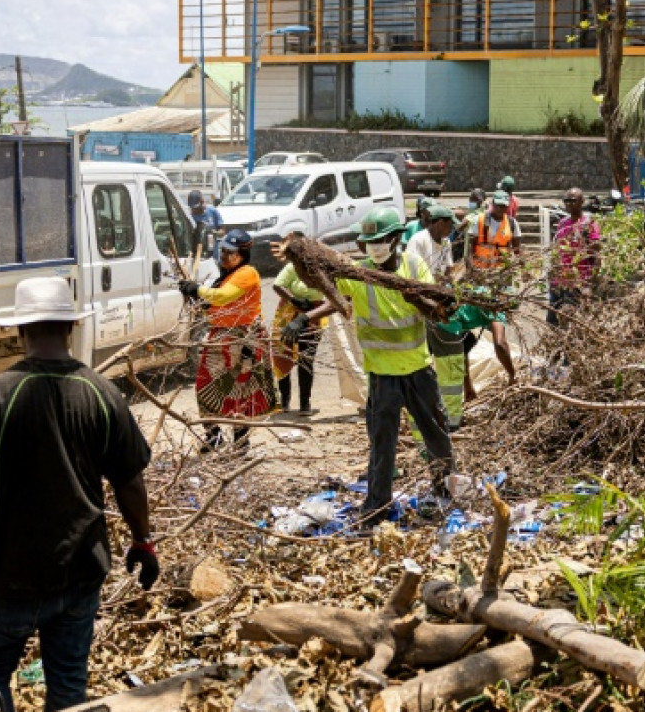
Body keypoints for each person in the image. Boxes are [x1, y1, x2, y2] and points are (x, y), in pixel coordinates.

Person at [0, 277, 157, 712]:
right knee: (68, 684)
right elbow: (129, 481)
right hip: (78, 571)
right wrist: (143, 541)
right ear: (68, 328)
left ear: (21, 332)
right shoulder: (101, 392)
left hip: (6, 574)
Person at [283, 208, 454, 529]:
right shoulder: (357, 274)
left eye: (381, 240)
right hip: (382, 376)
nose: (375, 247)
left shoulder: (414, 266)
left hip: (418, 370)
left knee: (435, 435)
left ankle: (445, 490)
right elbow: (337, 299)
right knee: (382, 442)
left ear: (395, 239)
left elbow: (435, 310)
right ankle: (377, 504)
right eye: (370, 242)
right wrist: (304, 318)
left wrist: (411, 292)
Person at [179, 229, 277, 450]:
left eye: (230, 252)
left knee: (238, 390)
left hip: (242, 338)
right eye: (222, 250)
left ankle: (241, 440)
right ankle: (213, 437)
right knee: (206, 386)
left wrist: (198, 289)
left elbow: (223, 297)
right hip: (220, 337)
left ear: (242, 254)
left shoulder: (247, 273)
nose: (224, 255)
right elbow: (214, 305)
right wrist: (198, 299)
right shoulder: (224, 276)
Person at [406, 205, 466, 431]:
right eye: (449, 225)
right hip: (424, 305)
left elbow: (448, 271)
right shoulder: (419, 241)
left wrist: (458, 280)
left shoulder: (446, 243)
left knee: (446, 357)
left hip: (439, 303)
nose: (450, 230)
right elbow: (413, 277)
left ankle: (449, 416)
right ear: (439, 222)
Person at [272, 235, 326, 417]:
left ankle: (305, 404)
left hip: (314, 313)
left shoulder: (320, 265)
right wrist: (294, 300)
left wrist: (309, 308)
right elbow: (278, 285)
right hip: (289, 311)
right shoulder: (291, 266)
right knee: (281, 354)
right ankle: (285, 400)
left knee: (306, 359)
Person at [549, 187, 602, 327]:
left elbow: (597, 256)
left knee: (570, 323)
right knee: (552, 323)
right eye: (566, 201)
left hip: (578, 283)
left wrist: (589, 285)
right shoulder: (562, 224)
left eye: (573, 200)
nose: (569, 204)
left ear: (582, 202)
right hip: (559, 283)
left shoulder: (588, 225)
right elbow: (557, 252)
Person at [465, 189, 522, 277]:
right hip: (480, 269)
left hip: (502, 270)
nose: (500, 208)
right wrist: (470, 267)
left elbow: (517, 249)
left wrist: (519, 266)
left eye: (503, 206)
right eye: (498, 205)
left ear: (507, 207)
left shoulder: (512, 223)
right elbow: (470, 246)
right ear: (492, 204)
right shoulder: (479, 220)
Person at [187, 190, 225, 256]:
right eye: (192, 208)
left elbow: (222, 231)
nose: (194, 210)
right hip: (197, 254)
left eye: (196, 207)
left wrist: (214, 233)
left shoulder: (212, 211)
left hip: (213, 254)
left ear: (202, 202)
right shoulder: (189, 217)